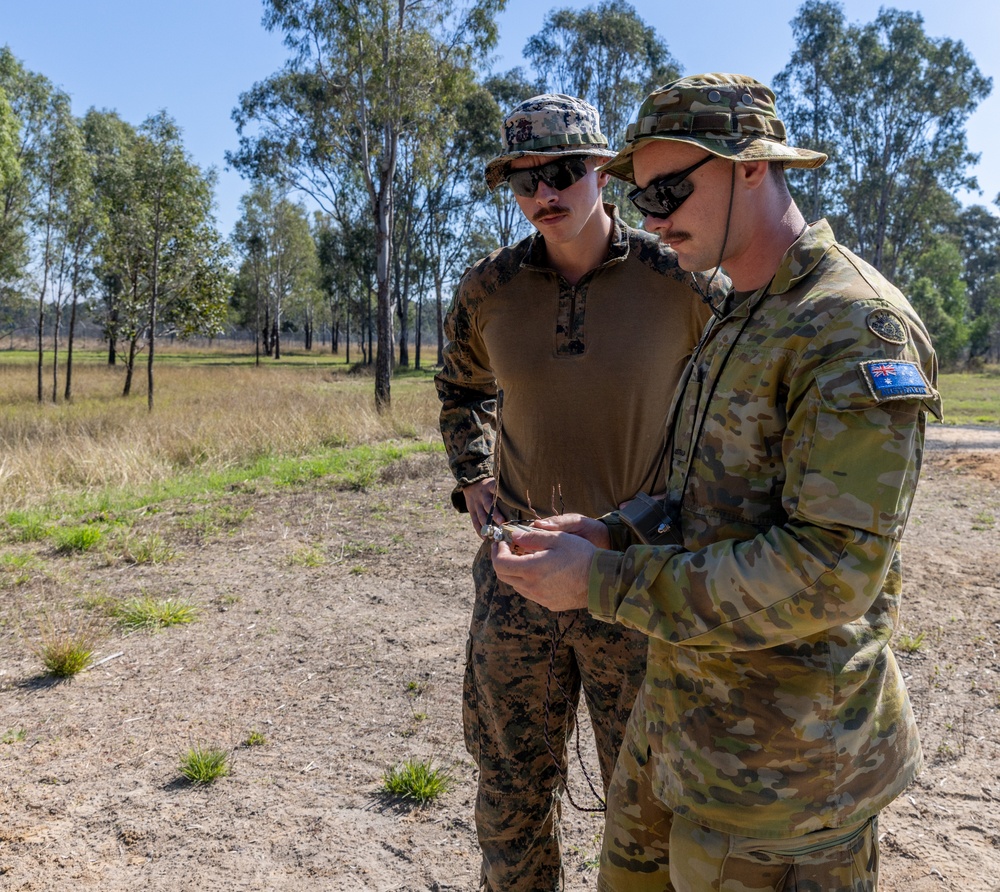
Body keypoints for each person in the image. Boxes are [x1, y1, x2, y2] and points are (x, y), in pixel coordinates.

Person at [492, 73, 943, 892]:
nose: (652, 216)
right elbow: (710, 498)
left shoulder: (848, 327)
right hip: (678, 734)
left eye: (669, 189)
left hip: (786, 783)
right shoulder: (739, 309)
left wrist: (604, 581)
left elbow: (829, 571)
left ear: (751, 168)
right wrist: (613, 530)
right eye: (638, 192)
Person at [434, 93, 720, 891]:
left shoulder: (684, 278)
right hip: (518, 576)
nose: (542, 196)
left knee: (653, 795)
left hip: (634, 574)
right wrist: (474, 475)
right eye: (522, 182)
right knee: (510, 788)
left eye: (561, 173)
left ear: (602, 172)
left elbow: (741, 389)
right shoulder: (489, 288)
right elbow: (460, 390)